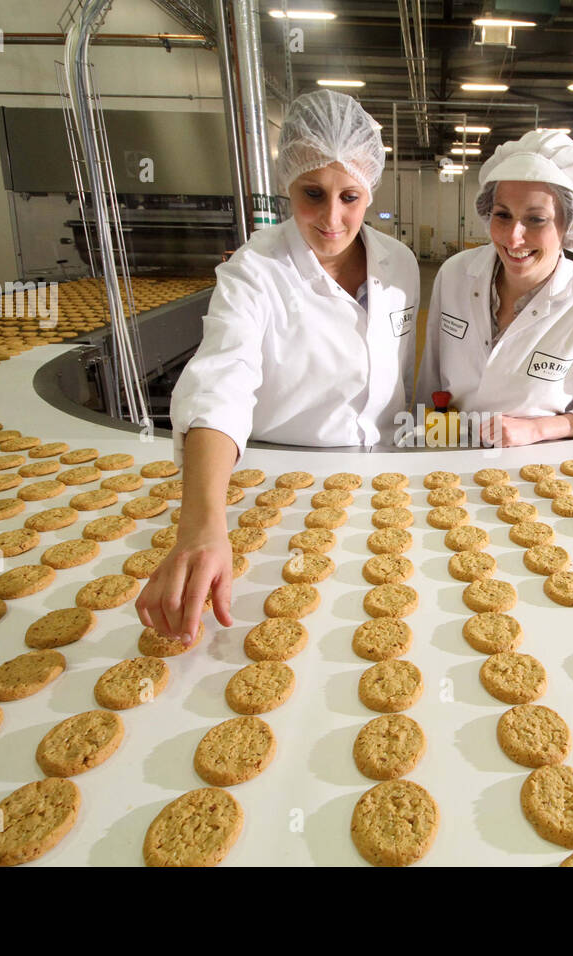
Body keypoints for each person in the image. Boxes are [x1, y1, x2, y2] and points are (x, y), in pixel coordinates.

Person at [137, 89, 418, 644]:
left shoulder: (400, 263)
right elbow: (223, 380)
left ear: (371, 189)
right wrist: (200, 527)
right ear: (288, 182)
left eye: (350, 196)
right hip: (284, 494)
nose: (332, 218)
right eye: (313, 193)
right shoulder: (255, 270)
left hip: (385, 486)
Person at [416, 129, 573, 447]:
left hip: (536, 467)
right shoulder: (455, 274)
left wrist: (539, 429)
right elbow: (431, 379)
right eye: (502, 215)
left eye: (536, 219)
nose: (513, 238)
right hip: (452, 450)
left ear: (569, 224)